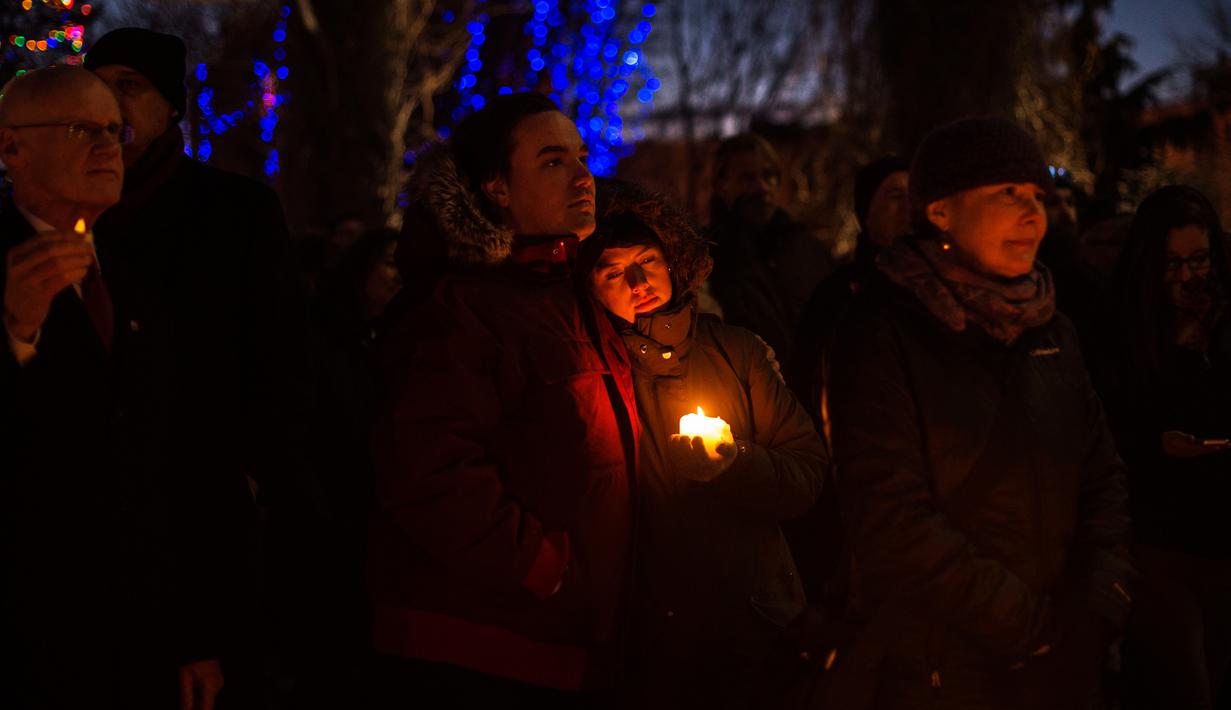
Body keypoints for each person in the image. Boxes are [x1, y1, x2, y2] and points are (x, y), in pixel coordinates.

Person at [824, 116, 1133, 709]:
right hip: (945, 668)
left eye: (1038, 196)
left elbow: (1102, 476)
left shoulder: (1052, 327)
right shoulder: (883, 330)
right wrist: (1032, 631)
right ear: (939, 211)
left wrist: (1099, 606)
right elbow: (890, 518)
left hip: (1070, 657)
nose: (1032, 215)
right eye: (1007, 194)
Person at [367, 93, 640, 707]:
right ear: (496, 188)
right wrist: (542, 566)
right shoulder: (460, 308)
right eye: (551, 161)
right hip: (484, 650)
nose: (581, 175)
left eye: (580, 155)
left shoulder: (568, 297)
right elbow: (428, 465)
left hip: (568, 645)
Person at [85, 27, 308, 708]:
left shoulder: (233, 211)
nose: (116, 104)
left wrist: (250, 472)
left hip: (201, 492)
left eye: (133, 86)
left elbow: (274, 357)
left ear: (170, 104)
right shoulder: (72, 211)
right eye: (105, 86)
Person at [0, 65, 225, 710]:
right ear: (11, 147)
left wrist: (195, 633)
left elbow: (178, 465)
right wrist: (15, 333)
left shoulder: (142, 280)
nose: (107, 146)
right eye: (79, 129)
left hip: (140, 640)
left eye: (114, 129)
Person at [581, 182, 827, 708]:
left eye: (648, 259)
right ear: (590, 288)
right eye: (613, 272)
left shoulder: (738, 352)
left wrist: (736, 465)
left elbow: (807, 472)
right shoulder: (594, 373)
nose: (640, 281)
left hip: (759, 625)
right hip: (653, 644)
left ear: (674, 261)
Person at [1099, 185, 1231, 710]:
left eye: (1197, 261)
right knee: (1180, 686)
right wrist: (1156, 446)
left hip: (1223, 535)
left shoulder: (1224, 318)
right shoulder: (1122, 325)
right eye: (1171, 264)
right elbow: (1110, 424)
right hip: (1157, 544)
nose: (1185, 277)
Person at [787, 156, 910, 610]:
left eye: (917, 195)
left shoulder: (956, 293)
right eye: (894, 196)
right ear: (867, 212)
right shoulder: (839, 296)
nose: (909, 207)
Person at [705, 133, 832, 381]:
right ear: (721, 185)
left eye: (769, 175)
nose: (762, 187)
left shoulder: (805, 246)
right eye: (747, 178)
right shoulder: (708, 257)